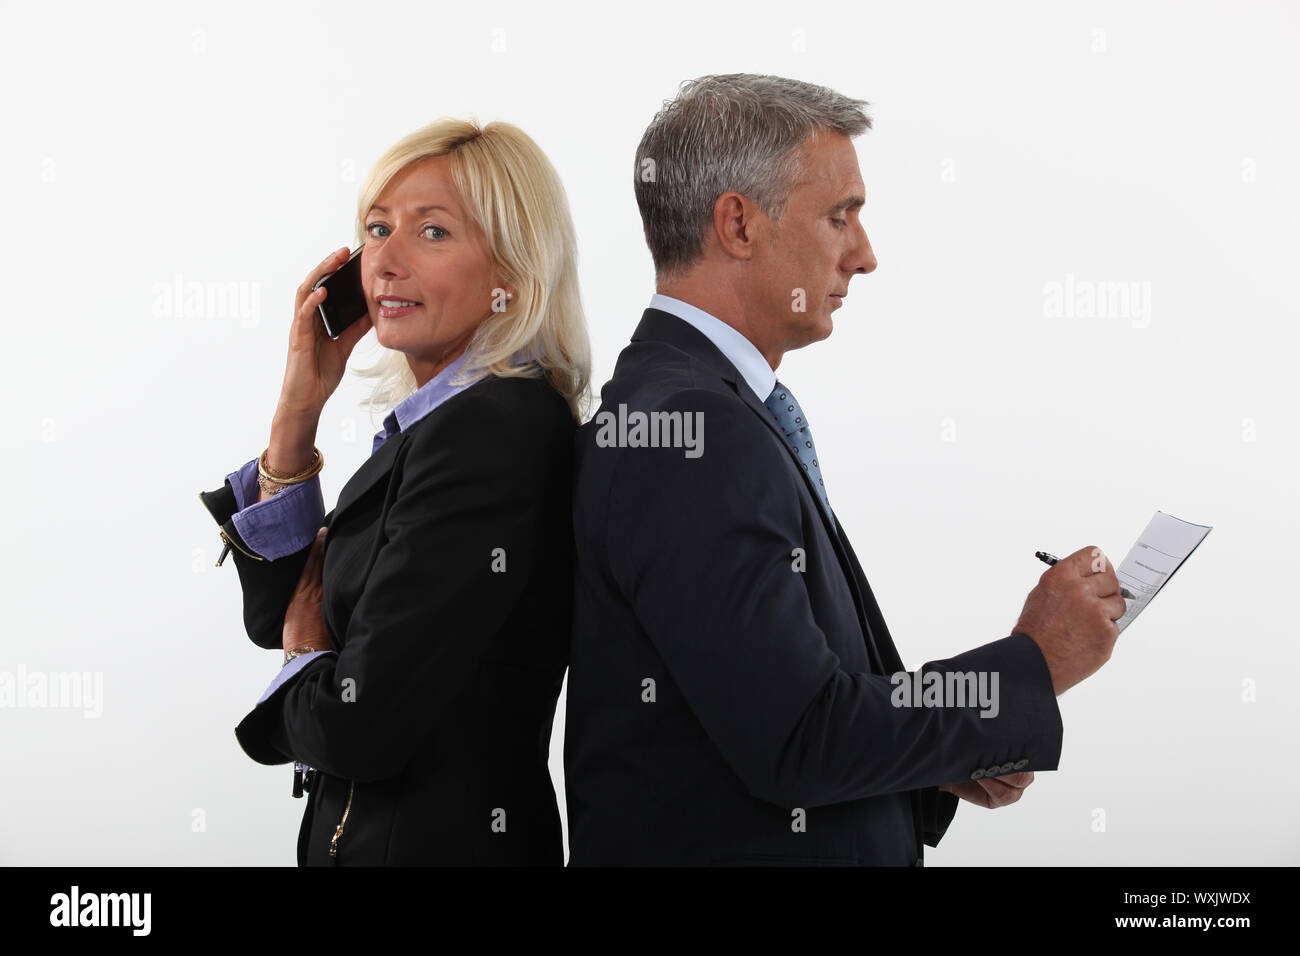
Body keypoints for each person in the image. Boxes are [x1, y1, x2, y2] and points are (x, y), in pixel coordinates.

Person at [564, 74, 1126, 865]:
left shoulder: (694, 409)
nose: (864, 256)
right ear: (738, 223)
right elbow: (800, 737)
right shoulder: (691, 433)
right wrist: (1030, 667)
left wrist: (940, 761)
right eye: (840, 216)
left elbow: (766, 710)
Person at [199, 118, 590, 865]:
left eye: (433, 232)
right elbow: (277, 617)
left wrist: (303, 657)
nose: (384, 260)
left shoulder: (489, 433)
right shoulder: (438, 426)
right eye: (377, 230)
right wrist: (297, 411)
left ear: (512, 272)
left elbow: (357, 726)